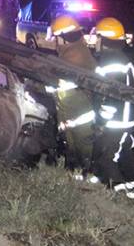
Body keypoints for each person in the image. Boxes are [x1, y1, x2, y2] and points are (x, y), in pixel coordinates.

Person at [91, 17, 134, 199]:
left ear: (104, 39)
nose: (95, 41)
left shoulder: (110, 63)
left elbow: (110, 98)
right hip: (126, 119)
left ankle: (119, 194)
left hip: (117, 121)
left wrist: (102, 122)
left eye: (97, 36)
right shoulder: (122, 59)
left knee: (107, 157)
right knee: (125, 154)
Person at [47, 15, 98, 176]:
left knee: (83, 145)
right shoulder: (72, 51)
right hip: (72, 110)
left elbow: (56, 78)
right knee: (74, 144)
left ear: (63, 37)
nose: (55, 42)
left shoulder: (74, 55)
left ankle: (89, 173)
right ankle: (76, 171)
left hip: (79, 110)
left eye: (56, 38)